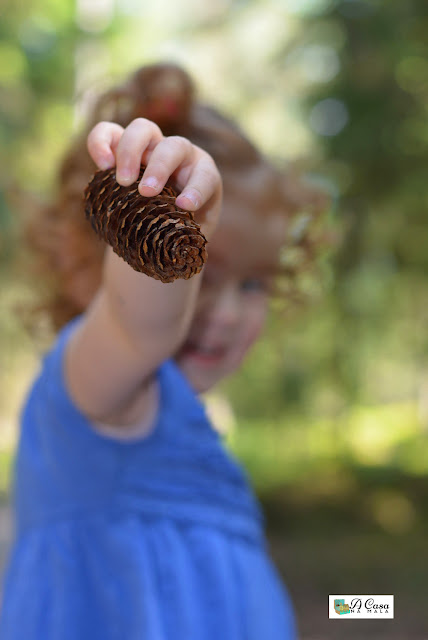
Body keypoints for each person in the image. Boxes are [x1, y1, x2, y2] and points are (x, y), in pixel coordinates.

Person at [0, 62, 328, 639]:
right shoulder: (99, 395)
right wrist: (170, 216)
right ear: (87, 260)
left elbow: (250, 595)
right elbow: (144, 327)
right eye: (205, 270)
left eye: (253, 285)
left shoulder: (197, 446)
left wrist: (369, 607)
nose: (225, 314)